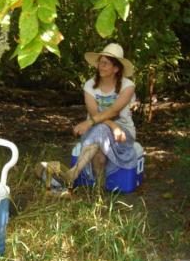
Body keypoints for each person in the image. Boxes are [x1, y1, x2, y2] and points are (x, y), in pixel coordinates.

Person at [51, 43, 137, 189]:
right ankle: (98, 190)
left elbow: (114, 111)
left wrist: (94, 123)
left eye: (105, 63)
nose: (100, 66)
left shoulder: (128, 86)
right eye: (100, 62)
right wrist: (112, 125)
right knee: (99, 153)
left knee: (101, 129)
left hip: (122, 135)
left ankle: (73, 174)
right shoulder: (90, 85)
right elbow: (94, 113)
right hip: (97, 131)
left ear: (116, 68)